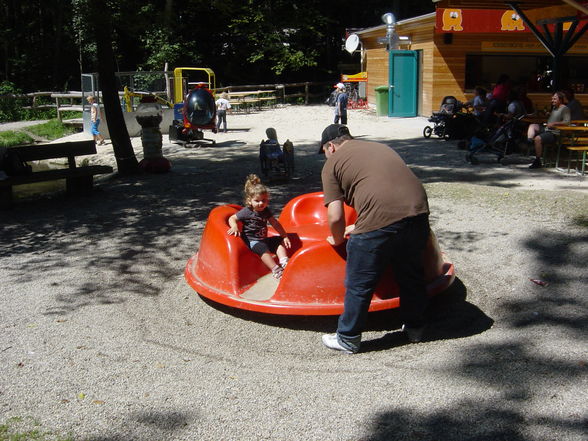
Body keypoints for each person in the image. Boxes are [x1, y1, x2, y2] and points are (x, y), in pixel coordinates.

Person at [318, 124, 431, 354]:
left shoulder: (333, 163)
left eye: (324, 152)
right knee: (411, 275)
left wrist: (338, 240)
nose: (325, 157)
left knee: (358, 283)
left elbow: (335, 215)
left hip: (381, 220)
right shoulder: (380, 147)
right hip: (418, 212)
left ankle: (348, 337)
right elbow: (386, 188)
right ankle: (415, 328)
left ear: (330, 147)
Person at [227, 174, 291, 279]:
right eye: (257, 201)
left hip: (263, 239)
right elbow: (232, 218)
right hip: (252, 241)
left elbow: (275, 223)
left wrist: (284, 236)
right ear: (249, 201)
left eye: (264, 200)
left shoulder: (266, 211)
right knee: (262, 248)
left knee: (279, 241)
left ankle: (284, 262)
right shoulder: (247, 211)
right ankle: (276, 269)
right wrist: (234, 227)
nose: (261, 203)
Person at [527, 91, 571, 169]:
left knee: (537, 139)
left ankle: (537, 161)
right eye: (552, 99)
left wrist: (554, 124)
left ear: (560, 100)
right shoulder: (554, 108)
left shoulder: (565, 109)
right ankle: (529, 141)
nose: (552, 101)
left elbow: (567, 122)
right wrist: (548, 115)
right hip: (547, 129)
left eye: (554, 99)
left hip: (555, 133)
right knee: (532, 126)